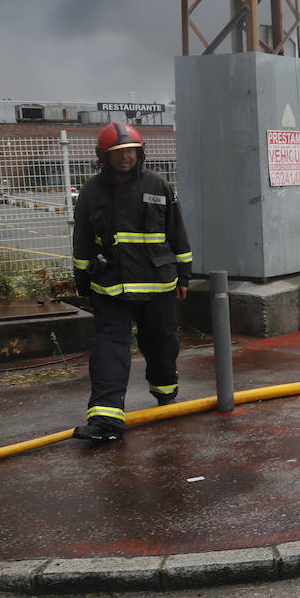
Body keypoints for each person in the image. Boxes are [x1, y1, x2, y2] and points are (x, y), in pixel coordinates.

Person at [71, 123, 193, 441]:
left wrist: (185, 277)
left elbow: (177, 234)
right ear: (104, 157)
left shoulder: (159, 186)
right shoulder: (91, 192)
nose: (125, 157)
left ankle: (166, 396)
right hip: (111, 287)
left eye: (130, 151)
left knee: (161, 346)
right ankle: (106, 418)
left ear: (140, 153)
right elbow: (82, 242)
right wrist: (84, 286)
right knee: (109, 348)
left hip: (158, 286)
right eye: (117, 153)